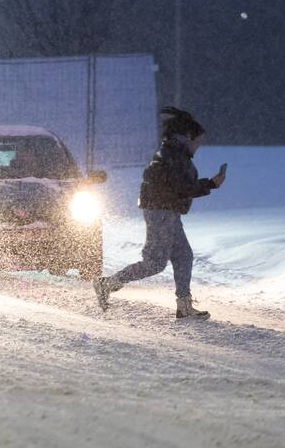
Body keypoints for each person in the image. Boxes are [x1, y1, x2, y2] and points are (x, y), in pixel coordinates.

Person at [93, 106, 227, 320]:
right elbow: (181, 188)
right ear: (187, 137)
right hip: (161, 212)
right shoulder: (170, 156)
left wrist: (207, 184)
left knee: (183, 257)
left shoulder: (174, 154)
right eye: (198, 142)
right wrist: (210, 184)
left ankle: (184, 306)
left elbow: (180, 186)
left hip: (168, 211)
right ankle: (106, 284)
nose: (198, 147)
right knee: (155, 263)